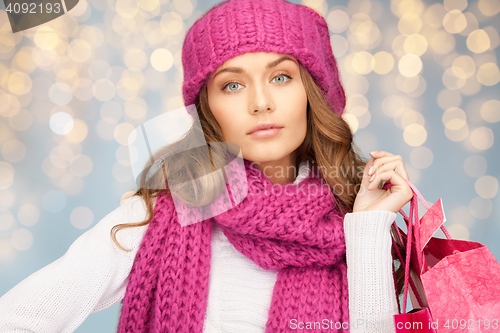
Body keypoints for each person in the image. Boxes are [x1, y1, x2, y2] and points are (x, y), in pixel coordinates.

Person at [0, 0, 415, 331]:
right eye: (232, 84)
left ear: (312, 92)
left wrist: (367, 229)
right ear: (207, 109)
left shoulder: (356, 222)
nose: (260, 102)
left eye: (281, 77)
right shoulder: (161, 213)